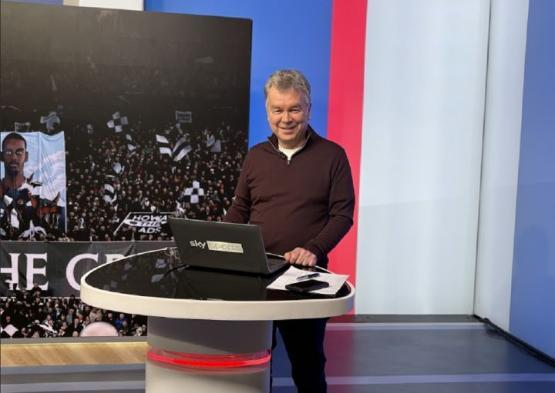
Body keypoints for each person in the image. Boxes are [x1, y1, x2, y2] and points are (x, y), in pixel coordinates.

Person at [224, 70, 355, 392]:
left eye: (294, 109)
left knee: (308, 362)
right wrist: (219, 238)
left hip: (306, 278)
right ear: (267, 111)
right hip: (255, 274)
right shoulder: (255, 156)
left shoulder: (333, 156)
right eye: (277, 109)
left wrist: (313, 248)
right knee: (251, 360)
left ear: (308, 109)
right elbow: (241, 208)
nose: (285, 118)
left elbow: (342, 214)